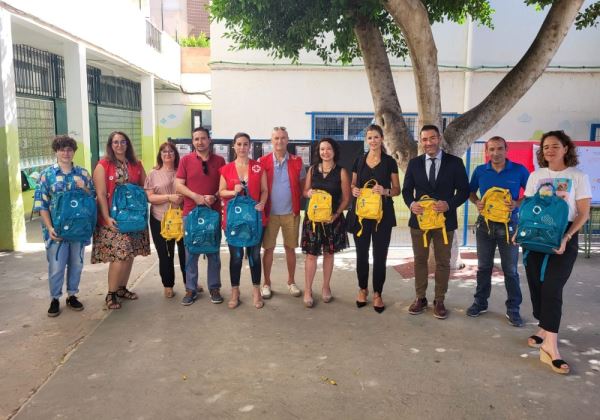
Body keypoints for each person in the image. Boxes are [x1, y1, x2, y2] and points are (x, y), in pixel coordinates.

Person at [519, 130, 591, 374]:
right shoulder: (536, 175)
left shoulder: (578, 176)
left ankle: (550, 346)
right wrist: (519, 231)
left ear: (566, 149)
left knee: (552, 287)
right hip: (535, 235)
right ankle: (543, 327)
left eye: (555, 146)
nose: (549, 150)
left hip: (563, 235)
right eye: (545, 147)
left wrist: (567, 237)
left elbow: (583, 213)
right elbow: (529, 208)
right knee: (536, 284)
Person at [402, 125, 469, 319]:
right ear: (420, 141)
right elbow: (407, 190)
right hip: (420, 223)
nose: (428, 143)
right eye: (424, 139)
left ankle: (439, 300)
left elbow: (464, 191)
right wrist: (411, 204)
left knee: (443, 262)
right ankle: (420, 298)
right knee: (420, 261)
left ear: (439, 139)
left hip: (444, 223)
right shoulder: (414, 164)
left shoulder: (454, 163)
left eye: (432, 138)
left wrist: (449, 204)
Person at [466, 136, 530, 326]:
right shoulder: (480, 171)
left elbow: (531, 193)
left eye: (499, 149)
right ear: (487, 152)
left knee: (510, 270)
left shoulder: (519, 170)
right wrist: (476, 201)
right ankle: (480, 303)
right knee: (483, 267)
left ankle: (513, 309)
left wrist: (517, 203)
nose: (495, 153)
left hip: (509, 227)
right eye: (491, 149)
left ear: (506, 149)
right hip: (484, 226)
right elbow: (470, 191)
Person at [34, 135, 95, 317]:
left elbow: (92, 198)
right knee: (57, 265)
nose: (66, 153)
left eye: (69, 149)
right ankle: (55, 298)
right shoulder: (47, 175)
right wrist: (49, 227)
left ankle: (72, 295)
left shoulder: (83, 174)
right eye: (62, 149)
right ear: (56, 151)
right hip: (57, 231)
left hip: (78, 230)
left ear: (74, 151)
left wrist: (84, 187)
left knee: (76, 264)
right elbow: (41, 204)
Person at [92, 131, 150, 309]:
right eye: (115, 142)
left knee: (129, 254)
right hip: (113, 219)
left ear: (127, 144)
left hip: (134, 218)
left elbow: (144, 186)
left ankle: (122, 288)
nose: (119, 145)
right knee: (119, 254)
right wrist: (107, 217)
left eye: (122, 142)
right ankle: (111, 294)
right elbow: (101, 194)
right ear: (110, 145)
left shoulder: (136, 164)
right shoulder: (103, 165)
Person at [346, 124, 400, 313]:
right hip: (361, 216)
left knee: (379, 256)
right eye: (370, 138)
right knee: (361, 254)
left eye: (376, 137)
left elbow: (397, 190)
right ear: (366, 140)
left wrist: (385, 191)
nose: (373, 141)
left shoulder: (389, 162)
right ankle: (362, 289)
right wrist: (354, 190)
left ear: (382, 139)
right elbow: (353, 184)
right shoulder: (359, 161)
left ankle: (377, 293)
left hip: (382, 217)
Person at [175, 127, 226, 306]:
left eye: (203, 138)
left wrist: (215, 195)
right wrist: (195, 196)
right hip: (190, 214)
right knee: (191, 253)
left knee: (213, 252)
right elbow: (178, 185)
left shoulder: (220, 161)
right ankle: (191, 288)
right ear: (193, 142)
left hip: (212, 214)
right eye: (196, 139)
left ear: (209, 140)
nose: (200, 142)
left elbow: (223, 186)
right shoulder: (185, 161)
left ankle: (214, 287)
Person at [219, 133, 268, 309]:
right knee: (236, 257)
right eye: (239, 144)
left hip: (255, 220)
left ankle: (256, 291)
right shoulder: (227, 169)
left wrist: (262, 203)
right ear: (234, 146)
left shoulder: (258, 167)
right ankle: (235, 291)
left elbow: (264, 190)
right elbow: (221, 192)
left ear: (250, 146)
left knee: (254, 255)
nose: (242, 147)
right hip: (234, 221)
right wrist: (234, 191)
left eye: (245, 144)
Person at [301, 137, 350, 307]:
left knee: (329, 254)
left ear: (334, 151)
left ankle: (325, 287)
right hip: (313, 220)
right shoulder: (313, 170)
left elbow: (346, 198)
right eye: (322, 149)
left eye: (328, 149)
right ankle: (308, 290)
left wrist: (336, 214)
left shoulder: (341, 171)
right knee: (311, 255)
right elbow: (305, 191)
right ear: (318, 152)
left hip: (332, 220)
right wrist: (308, 193)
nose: (325, 152)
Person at [258, 127, 306, 299]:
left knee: (290, 249)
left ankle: (291, 282)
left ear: (288, 140)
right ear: (271, 140)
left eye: (283, 138)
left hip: (290, 213)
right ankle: (266, 283)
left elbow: (303, 187)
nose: (279, 141)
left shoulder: (297, 161)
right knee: (268, 249)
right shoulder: (262, 162)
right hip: (269, 213)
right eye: (276, 138)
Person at [144, 142, 186, 298]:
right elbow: (150, 197)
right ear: (160, 156)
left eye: (171, 151)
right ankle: (168, 285)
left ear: (175, 154)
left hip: (181, 219)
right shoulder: (153, 174)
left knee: (185, 252)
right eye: (164, 152)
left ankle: (190, 282)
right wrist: (169, 197)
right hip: (160, 219)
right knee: (166, 253)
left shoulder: (182, 171)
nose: (168, 154)